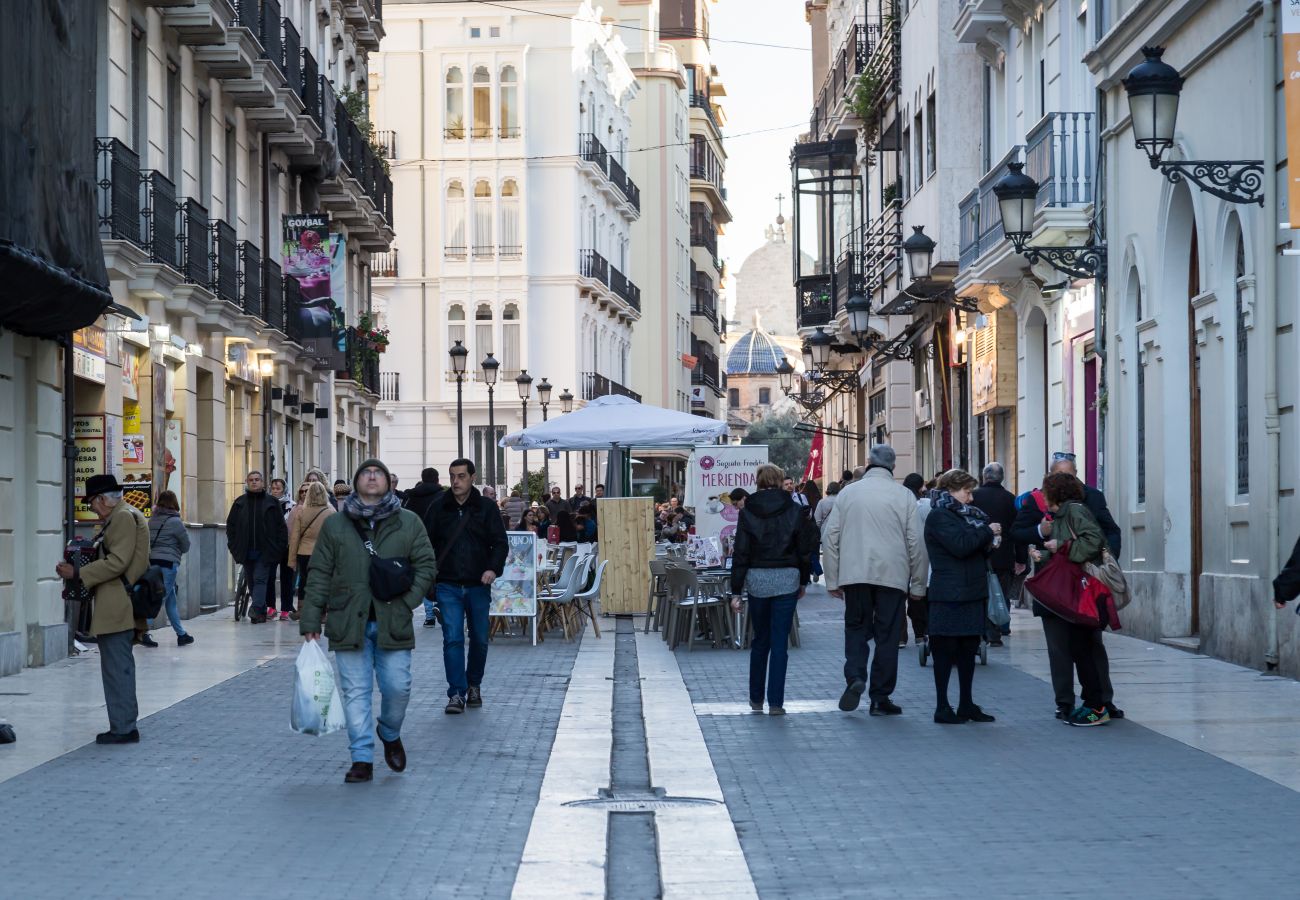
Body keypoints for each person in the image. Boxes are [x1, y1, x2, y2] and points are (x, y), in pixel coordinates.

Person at [301, 459, 436, 783]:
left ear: (389, 482)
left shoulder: (409, 522)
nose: (372, 477)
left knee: (398, 687)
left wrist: (407, 602)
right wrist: (310, 618)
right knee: (355, 691)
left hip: (394, 620)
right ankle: (361, 757)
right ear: (357, 482)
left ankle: (389, 731)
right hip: (349, 621)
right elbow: (319, 572)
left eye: (378, 473)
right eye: (366, 473)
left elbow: (426, 565)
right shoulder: (336, 525)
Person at [1012, 452, 1123, 720]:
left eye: (1070, 475)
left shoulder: (1089, 499)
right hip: (1054, 585)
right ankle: (1065, 702)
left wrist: (1105, 561)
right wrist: (1042, 535)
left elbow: (1107, 533)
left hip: (1084, 584)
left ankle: (1101, 702)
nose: (1067, 480)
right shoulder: (1036, 501)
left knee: (1090, 645)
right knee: (1059, 647)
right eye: (1061, 476)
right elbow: (1018, 531)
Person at [822, 444, 928, 716]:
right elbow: (916, 542)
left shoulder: (848, 494)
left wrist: (832, 579)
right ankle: (880, 698)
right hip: (893, 576)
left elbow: (830, 537)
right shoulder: (904, 495)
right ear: (893, 466)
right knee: (888, 636)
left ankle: (856, 676)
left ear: (869, 462)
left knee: (856, 628)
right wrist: (918, 584)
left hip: (855, 575)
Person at [55, 474, 150, 744]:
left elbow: (118, 561)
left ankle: (123, 728)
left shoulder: (121, 517)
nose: (92, 508)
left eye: (92, 503)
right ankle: (124, 724)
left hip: (117, 601)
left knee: (116, 667)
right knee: (119, 666)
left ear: (102, 499)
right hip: (118, 599)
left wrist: (78, 572)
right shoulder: (124, 515)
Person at [730, 464, 819, 715]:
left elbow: (741, 552)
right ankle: (776, 703)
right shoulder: (795, 509)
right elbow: (804, 549)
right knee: (780, 642)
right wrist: (802, 580)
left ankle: (756, 698)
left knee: (760, 640)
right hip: (787, 578)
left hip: (757, 578)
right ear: (781, 481)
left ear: (757, 482)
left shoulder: (747, 512)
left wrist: (736, 590)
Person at [1026, 472, 1112, 727]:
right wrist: (1044, 553)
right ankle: (1092, 703)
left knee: (1084, 647)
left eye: (1045, 490)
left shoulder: (1075, 511)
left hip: (1083, 590)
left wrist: (1059, 546)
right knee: (1078, 647)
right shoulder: (1063, 514)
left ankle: (1096, 706)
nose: (1042, 495)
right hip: (1072, 589)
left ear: (1056, 492)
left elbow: (1094, 541)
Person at [425, 458, 509, 714]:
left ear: (473, 477)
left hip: (477, 584)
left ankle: (474, 685)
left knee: (480, 638)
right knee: (452, 638)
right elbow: (425, 544)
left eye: (461, 476)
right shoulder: (439, 507)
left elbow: (500, 542)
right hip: (448, 584)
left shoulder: (486, 508)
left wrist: (492, 568)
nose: (456, 481)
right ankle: (456, 693)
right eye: (452, 476)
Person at [924, 470, 999, 724]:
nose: (970, 498)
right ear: (952, 490)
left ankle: (966, 703)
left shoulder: (964, 516)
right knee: (945, 652)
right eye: (967, 492)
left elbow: (972, 545)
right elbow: (960, 545)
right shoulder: (939, 515)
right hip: (949, 594)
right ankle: (942, 706)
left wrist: (988, 539)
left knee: (968, 650)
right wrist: (987, 533)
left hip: (970, 592)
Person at [226, 470, 289, 624]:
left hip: (265, 551)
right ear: (247, 482)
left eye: (257, 479)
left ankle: (254, 609)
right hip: (246, 550)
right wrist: (234, 546)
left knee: (260, 580)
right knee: (252, 582)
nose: (254, 482)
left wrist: (278, 549)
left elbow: (281, 529)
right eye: (251, 480)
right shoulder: (240, 503)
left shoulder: (272, 503)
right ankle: (260, 612)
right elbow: (231, 526)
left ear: (262, 483)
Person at [971, 462, 1021, 647]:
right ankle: (999, 630)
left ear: (984, 477)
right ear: (1002, 478)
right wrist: (1021, 558)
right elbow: (1017, 531)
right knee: (1001, 593)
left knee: (980, 593)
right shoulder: (1010, 499)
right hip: (1004, 556)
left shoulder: (973, 496)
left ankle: (981, 631)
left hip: (978, 553)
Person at [148, 490, 193, 646]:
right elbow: (186, 545)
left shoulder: (152, 520)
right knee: (159, 599)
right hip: (168, 565)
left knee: (170, 600)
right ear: (174, 503)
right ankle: (141, 632)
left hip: (152, 563)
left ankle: (181, 634)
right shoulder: (175, 522)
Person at [288, 481, 335, 618]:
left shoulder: (301, 511)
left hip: (304, 552)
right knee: (324, 581)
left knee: (304, 581)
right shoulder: (331, 512)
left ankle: (302, 610)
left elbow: (295, 537)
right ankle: (323, 612)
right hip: (324, 553)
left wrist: (292, 560)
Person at [899, 473, 932, 647]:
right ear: (920, 487)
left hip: (899, 555)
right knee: (917, 596)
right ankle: (920, 634)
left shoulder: (898, 502)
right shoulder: (925, 505)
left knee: (898, 597)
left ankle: (900, 637)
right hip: (921, 554)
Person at [266, 477, 296, 620]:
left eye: (278, 488)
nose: (276, 491)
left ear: (284, 489)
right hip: (271, 546)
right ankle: (271, 607)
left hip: (287, 546)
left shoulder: (292, 505)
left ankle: (286, 609)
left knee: (287, 578)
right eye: (273, 488)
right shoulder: (266, 504)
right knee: (270, 576)